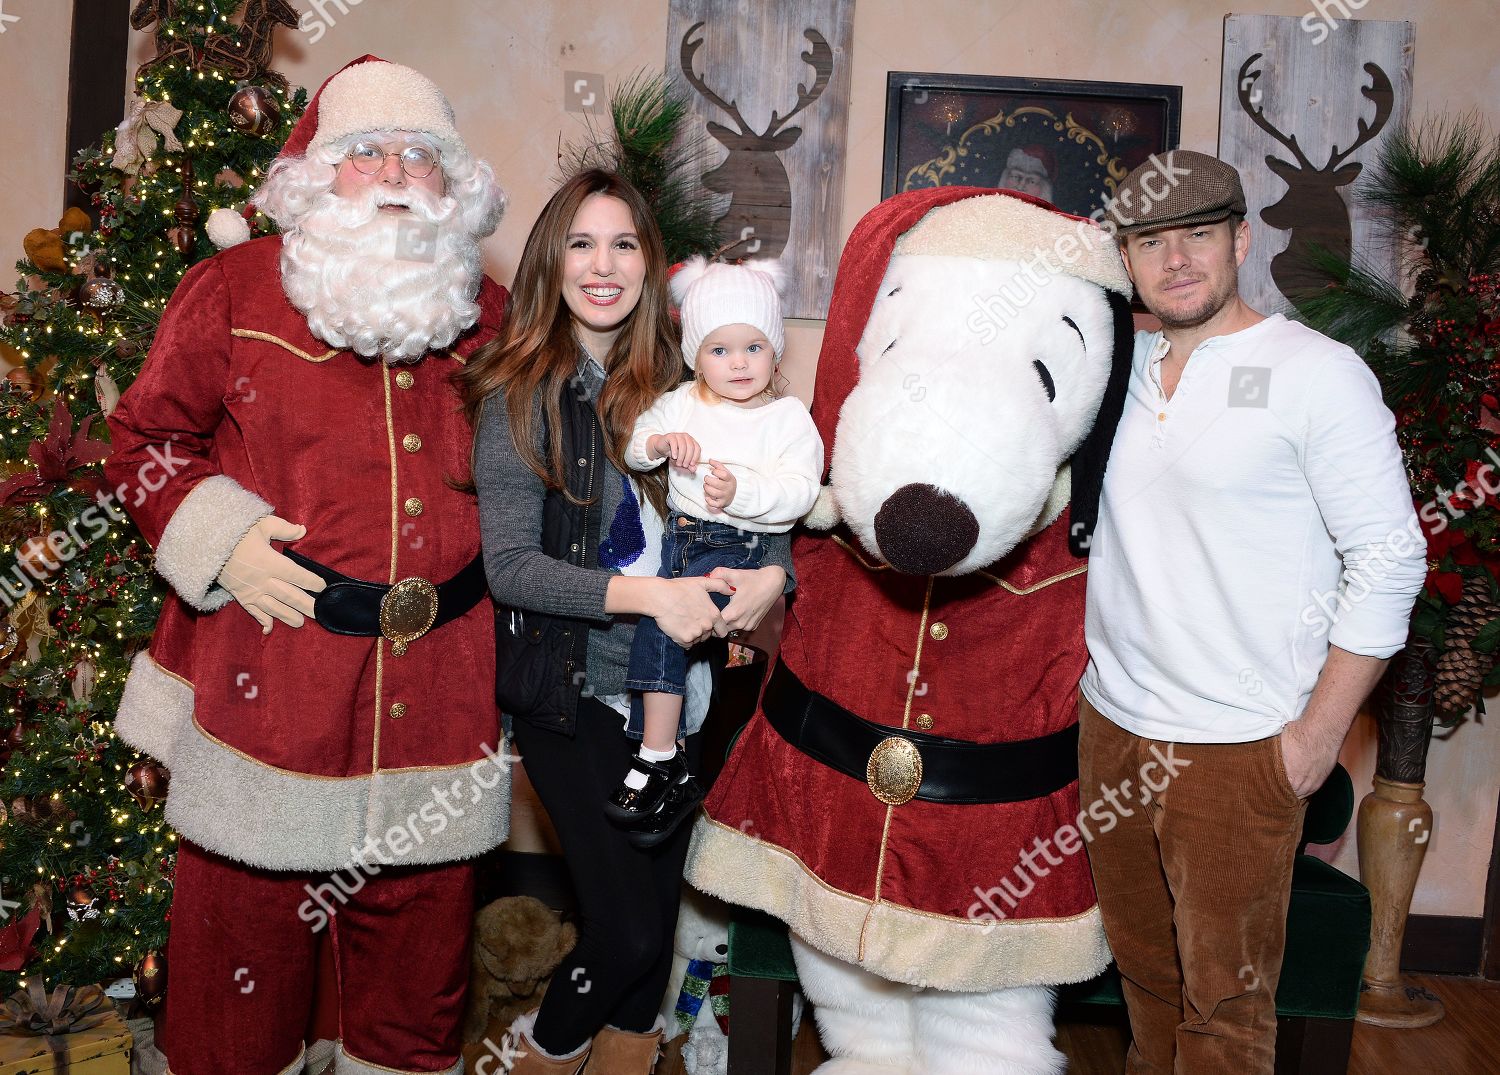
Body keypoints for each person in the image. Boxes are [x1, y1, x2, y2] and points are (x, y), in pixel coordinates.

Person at [105, 56, 509, 1075]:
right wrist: (220, 537)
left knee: (417, 995)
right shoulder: (234, 289)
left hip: (443, 693)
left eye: (418, 154)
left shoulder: (492, 312)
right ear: (313, 177)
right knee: (240, 981)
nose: (392, 173)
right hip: (270, 682)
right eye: (363, 151)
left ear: (449, 181)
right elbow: (146, 438)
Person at [1080, 149, 1425, 1073]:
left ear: (1240, 238)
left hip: (1241, 746)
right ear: (1127, 259)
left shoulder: (1320, 373)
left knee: (1226, 1014)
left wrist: (1316, 737)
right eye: (1151, 241)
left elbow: (1391, 562)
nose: (1176, 258)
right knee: (1145, 986)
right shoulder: (1116, 372)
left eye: (1198, 233)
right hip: (1112, 726)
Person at [464, 169, 795, 1074]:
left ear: (650, 264)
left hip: (679, 694)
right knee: (630, 936)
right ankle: (538, 1057)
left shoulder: (688, 385)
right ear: (551, 262)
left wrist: (774, 579)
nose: (602, 265)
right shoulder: (517, 391)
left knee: (651, 961)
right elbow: (511, 569)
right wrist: (654, 596)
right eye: (580, 243)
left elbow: (765, 511)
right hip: (568, 695)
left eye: (622, 244)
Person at [605, 256, 822, 844]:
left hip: (737, 548)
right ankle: (667, 753)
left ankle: (655, 756)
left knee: (663, 627)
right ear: (695, 356)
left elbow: (802, 491)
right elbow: (631, 448)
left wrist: (743, 491)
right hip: (679, 541)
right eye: (719, 350)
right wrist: (658, 441)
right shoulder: (681, 402)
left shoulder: (786, 417)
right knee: (661, 628)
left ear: (775, 351)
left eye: (754, 347)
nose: (739, 363)